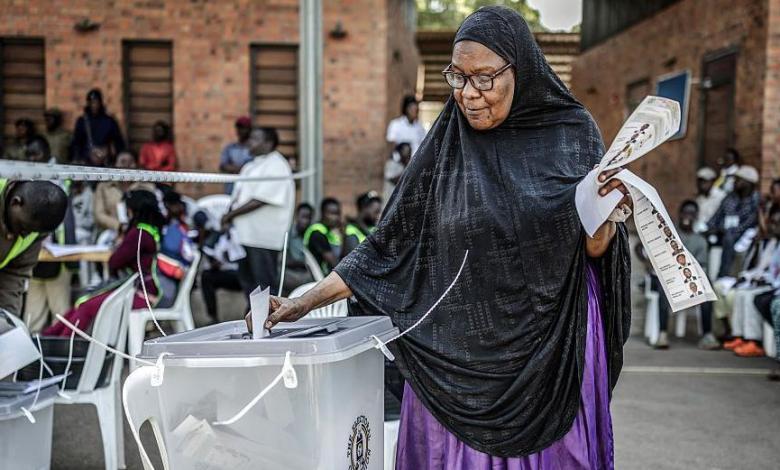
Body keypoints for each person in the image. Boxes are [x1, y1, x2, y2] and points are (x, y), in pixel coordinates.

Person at [251, 7, 634, 468]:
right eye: (458, 77)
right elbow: (385, 247)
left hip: (550, 353)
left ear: (521, 69)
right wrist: (303, 303)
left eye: (484, 78)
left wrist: (605, 218)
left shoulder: (572, 133)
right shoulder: (447, 145)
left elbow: (595, 249)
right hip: (456, 355)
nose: (469, 94)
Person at [44, 190, 164, 335]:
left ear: (131, 210)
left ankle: (64, 343)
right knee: (81, 303)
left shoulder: (138, 234)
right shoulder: (152, 230)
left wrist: (120, 242)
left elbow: (114, 262)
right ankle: (51, 338)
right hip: (142, 290)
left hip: (141, 295)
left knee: (86, 306)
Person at [221, 127, 294, 299]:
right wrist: (228, 216)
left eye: (255, 138)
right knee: (249, 286)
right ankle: (253, 316)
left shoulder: (277, 165)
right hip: (245, 236)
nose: (249, 142)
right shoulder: (251, 165)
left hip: (262, 239)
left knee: (264, 289)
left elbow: (260, 199)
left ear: (268, 143)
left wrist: (230, 215)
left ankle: (266, 317)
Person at [650, 200, 718, 349]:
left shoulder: (700, 241)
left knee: (708, 286)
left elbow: (702, 267)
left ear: (696, 217)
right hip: (670, 277)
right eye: (685, 212)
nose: (688, 216)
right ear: (680, 214)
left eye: (691, 213)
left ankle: (707, 335)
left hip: (690, 280)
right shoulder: (669, 235)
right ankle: (662, 334)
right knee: (663, 285)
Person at [0, 180, 68, 316]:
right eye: (23, 227)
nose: (25, 236)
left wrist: (7, 320)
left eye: (33, 232)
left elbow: (14, 275)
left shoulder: (35, 227)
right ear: (16, 202)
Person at [719, 209, 780, 357]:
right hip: (769, 284)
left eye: (776, 223)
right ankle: (740, 336)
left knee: (749, 298)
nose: (773, 226)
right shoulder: (772, 243)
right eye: (772, 223)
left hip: (772, 286)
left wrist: (763, 279)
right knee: (740, 294)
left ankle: (755, 341)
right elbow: (763, 269)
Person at [707, 165, 761, 278]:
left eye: (738, 179)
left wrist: (727, 230)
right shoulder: (730, 197)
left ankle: (723, 275)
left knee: (729, 237)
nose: (734, 182)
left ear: (748, 183)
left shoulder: (755, 200)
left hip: (743, 235)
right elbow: (715, 218)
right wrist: (712, 228)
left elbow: (748, 223)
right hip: (722, 233)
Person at [93, 151, 156, 235]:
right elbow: (99, 214)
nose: (127, 165)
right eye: (123, 162)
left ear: (137, 165)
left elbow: (151, 212)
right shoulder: (103, 187)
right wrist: (119, 226)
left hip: (140, 231)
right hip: (111, 232)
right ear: (115, 165)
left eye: (131, 162)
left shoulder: (146, 187)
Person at [157, 191, 195, 308]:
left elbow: (171, 250)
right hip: (172, 280)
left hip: (167, 285)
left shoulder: (174, 228)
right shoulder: (177, 226)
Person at [71, 88, 125, 166]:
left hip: (105, 161)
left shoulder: (109, 121)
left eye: (96, 102)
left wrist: (114, 156)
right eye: (92, 102)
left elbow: (118, 142)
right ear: (88, 104)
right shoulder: (82, 121)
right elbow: (76, 143)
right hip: (86, 162)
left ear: (100, 103)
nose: (94, 105)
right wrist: (79, 158)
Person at [303, 198, 343, 275]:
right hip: (315, 276)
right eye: (332, 213)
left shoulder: (329, 232)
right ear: (323, 213)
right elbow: (334, 263)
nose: (335, 218)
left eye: (337, 214)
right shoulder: (317, 232)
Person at [283, 203, 315, 294]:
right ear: (296, 217)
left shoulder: (312, 234)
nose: (306, 221)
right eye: (303, 217)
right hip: (290, 272)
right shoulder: (287, 234)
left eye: (309, 218)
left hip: (306, 272)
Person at [342, 191, 382, 259]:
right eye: (376, 212)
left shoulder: (373, 228)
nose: (378, 216)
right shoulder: (351, 230)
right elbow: (353, 259)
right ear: (364, 208)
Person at [219, 116, 253, 194]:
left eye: (244, 128)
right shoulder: (230, 148)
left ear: (250, 129)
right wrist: (243, 169)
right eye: (239, 127)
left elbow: (254, 168)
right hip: (231, 188)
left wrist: (234, 168)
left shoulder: (254, 149)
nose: (241, 131)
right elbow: (223, 166)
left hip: (248, 189)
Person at [694, 166, 726, 233]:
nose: (702, 184)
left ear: (712, 181)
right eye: (700, 181)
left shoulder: (721, 196)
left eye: (705, 181)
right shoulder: (699, 198)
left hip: (715, 230)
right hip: (699, 230)